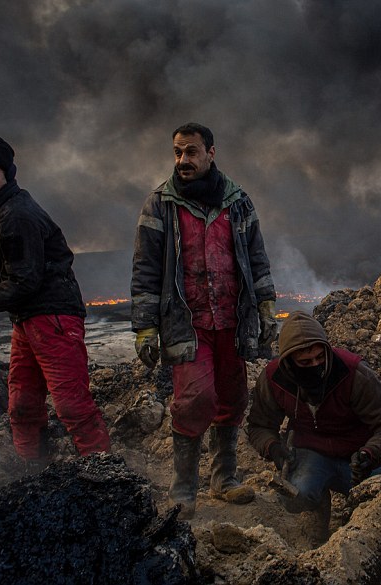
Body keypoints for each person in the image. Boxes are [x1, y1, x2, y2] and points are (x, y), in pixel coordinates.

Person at [131, 122, 277, 517]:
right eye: (177, 152)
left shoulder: (238, 202)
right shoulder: (160, 204)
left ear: (211, 153)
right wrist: (145, 327)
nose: (183, 160)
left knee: (233, 398)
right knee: (195, 399)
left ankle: (224, 478)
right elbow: (145, 270)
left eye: (191, 152)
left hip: (232, 319)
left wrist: (265, 306)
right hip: (187, 324)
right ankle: (183, 488)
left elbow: (257, 258)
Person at [0, 134, 111, 462]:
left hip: (53, 318)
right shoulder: (2, 212)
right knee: (22, 405)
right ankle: (32, 474)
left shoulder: (16, 216)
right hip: (26, 320)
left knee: (71, 406)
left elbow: (25, 282)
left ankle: (105, 476)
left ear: (7, 173)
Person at [246, 311, 381, 542]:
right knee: (294, 497)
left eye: (320, 357)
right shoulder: (274, 378)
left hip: (356, 455)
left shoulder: (353, 373)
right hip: (311, 451)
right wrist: (273, 448)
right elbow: (259, 425)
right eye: (305, 362)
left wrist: (371, 453)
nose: (316, 365)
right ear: (289, 361)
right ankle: (318, 506)